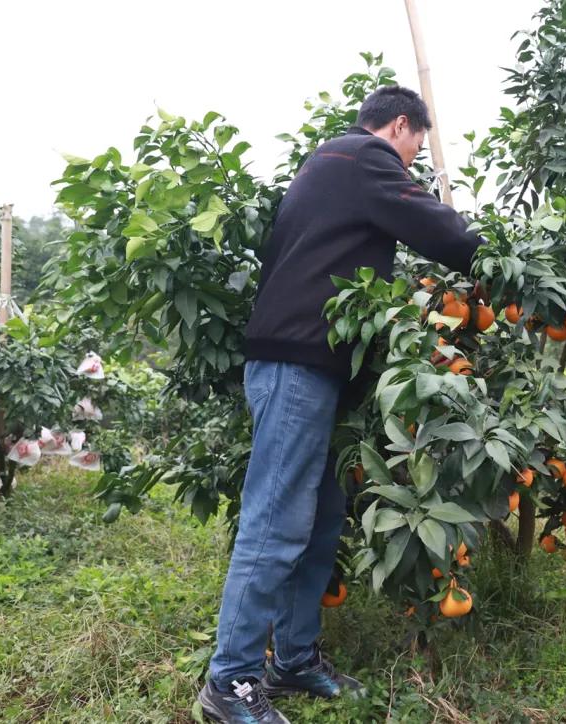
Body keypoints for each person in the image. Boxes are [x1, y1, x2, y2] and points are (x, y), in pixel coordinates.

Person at [197, 85, 484, 723]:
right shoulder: (363, 158)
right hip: (294, 364)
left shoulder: (335, 167)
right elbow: (436, 228)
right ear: (401, 126)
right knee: (275, 523)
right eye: (415, 149)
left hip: (314, 368)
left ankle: (292, 660)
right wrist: (485, 251)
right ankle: (230, 681)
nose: (411, 162)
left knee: (320, 519)